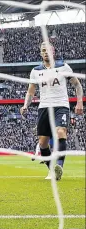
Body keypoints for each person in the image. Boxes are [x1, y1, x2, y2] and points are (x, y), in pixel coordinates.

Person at [20, 42, 83, 180]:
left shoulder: (63, 67)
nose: (45, 52)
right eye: (43, 50)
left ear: (53, 52)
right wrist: (25, 105)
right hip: (44, 107)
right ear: (41, 53)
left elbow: (77, 85)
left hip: (61, 105)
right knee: (42, 143)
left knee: (61, 132)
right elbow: (31, 92)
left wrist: (79, 102)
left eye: (48, 50)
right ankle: (52, 170)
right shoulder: (35, 71)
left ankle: (59, 165)